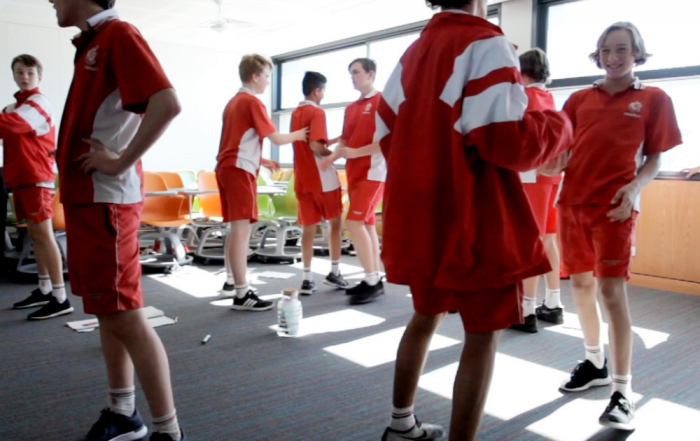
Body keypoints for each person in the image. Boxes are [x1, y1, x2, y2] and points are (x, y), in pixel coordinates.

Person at [375, 1, 573, 440]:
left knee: (424, 317)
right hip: (474, 215)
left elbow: (386, 131)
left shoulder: (413, 52)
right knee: (482, 336)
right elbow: (505, 141)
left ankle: (400, 424)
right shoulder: (486, 41)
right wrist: (560, 125)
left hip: (422, 216)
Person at [49, 0, 187, 439]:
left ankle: (168, 431)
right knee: (108, 312)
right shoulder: (94, 41)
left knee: (126, 315)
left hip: (106, 199)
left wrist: (122, 161)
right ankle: (123, 412)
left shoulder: (119, 34)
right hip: (89, 199)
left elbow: (168, 102)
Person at [554, 22, 682, 431]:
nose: (613, 57)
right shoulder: (577, 99)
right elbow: (560, 152)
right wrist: (548, 162)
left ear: (637, 54)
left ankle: (623, 393)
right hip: (571, 202)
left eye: (622, 49)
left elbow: (656, 158)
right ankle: (595, 363)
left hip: (615, 208)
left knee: (612, 292)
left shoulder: (654, 98)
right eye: (606, 50)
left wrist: (635, 187)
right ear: (597, 55)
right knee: (579, 286)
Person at [216, 54, 307, 311]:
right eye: (267, 76)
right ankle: (242, 294)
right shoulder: (252, 102)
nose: (268, 82)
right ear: (255, 76)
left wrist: (262, 160)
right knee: (241, 231)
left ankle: (231, 282)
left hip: (227, 167)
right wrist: (299, 134)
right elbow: (277, 138)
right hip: (239, 170)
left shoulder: (233, 102)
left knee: (236, 230)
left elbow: (237, 142)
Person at [0, 54, 73, 320]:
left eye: (29, 72)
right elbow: (7, 129)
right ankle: (44, 289)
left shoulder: (38, 103)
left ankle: (61, 297)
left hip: (37, 177)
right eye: (19, 72)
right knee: (35, 235)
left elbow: (15, 124)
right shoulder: (12, 107)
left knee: (43, 235)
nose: (24, 76)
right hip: (20, 177)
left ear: (39, 76)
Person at [321, 58, 386, 305]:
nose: (352, 77)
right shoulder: (351, 108)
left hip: (373, 172)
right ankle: (373, 278)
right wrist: (331, 159)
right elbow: (346, 140)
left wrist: (357, 153)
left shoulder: (382, 102)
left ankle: (372, 279)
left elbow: (385, 142)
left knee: (354, 222)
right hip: (354, 173)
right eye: (350, 73)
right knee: (367, 226)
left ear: (370, 74)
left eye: (356, 72)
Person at [510, 48, 564, 333]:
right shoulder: (548, 97)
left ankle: (526, 309)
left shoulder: (525, 96)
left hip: (532, 175)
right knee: (548, 238)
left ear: (524, 71)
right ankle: (553, 303)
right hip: (551, 176)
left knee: (532, 240)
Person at [290, 71, 350, 295]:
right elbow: (315, 146)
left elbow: (306, 143)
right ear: (317, 91)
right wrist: (334, 154)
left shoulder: (296, 113)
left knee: (308, 229)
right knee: (335, 225)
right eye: (323, 91)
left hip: (303, 179)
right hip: (323, 180)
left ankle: (306, 278)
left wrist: (329, 141)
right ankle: (334, 272)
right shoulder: (317, 112)